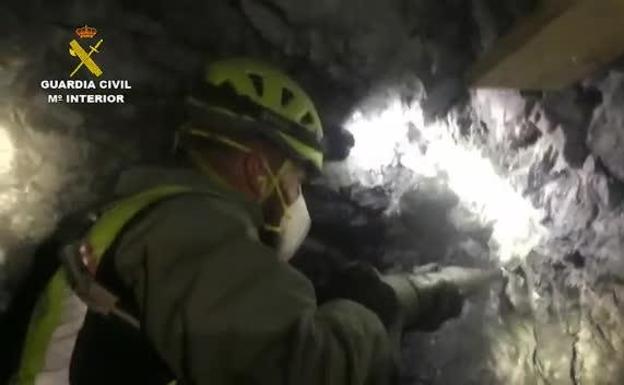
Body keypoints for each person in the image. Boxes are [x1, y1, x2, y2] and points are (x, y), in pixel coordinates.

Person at [8, 58, 463, 385]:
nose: (297, 197)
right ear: (255, 170)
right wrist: (372, 308)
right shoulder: (189, 222)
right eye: (297, 180)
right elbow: (303, 369)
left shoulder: (138, 217)